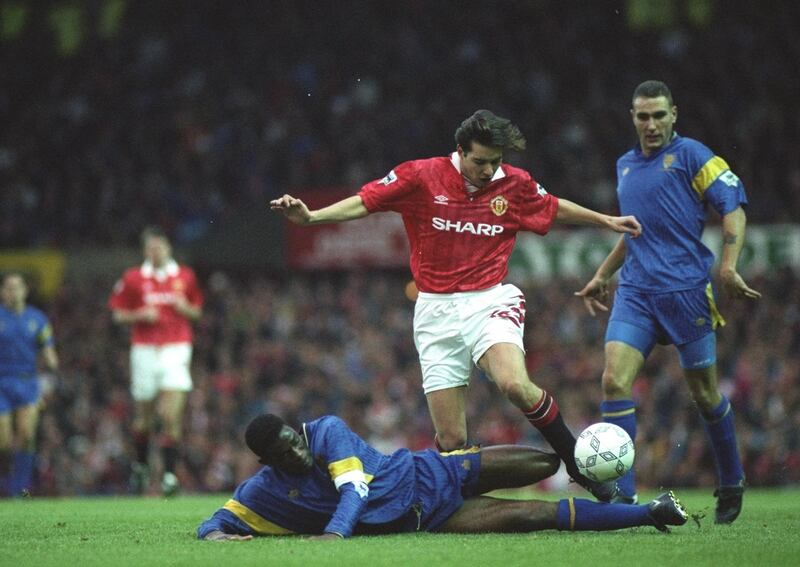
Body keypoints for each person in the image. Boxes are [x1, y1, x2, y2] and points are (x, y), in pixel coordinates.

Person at [271, 109, 642, 501]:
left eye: (496, 162)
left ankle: (578, 465)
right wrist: (311, 218)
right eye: (480, 161)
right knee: (451, 438)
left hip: (490, 299)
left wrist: (606, 220)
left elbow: (552, 206)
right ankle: (468, 506)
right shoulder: (420, 175)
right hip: (434, 310)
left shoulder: (514, 185)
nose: (488, 170)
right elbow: (365, 201)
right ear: (460, 152)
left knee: (514, 383)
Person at [575, 80, 760, 523]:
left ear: (674, 114)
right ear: (633, 118)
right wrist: (602, 274)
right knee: (614, 383)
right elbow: (635, 232)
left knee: (704, 394)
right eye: (643, 116)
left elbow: (733, 207)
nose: (652, 124)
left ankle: (731, 480)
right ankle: (623, 499)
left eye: (660, 115)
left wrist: (729, 265)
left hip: (686, 293)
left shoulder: (695, 156)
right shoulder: (624, 166)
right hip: (636, 293)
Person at [197, 413, 688, 540]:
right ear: (269, 461)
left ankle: (591, 471)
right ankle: (652, 510)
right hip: (427, 520)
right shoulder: (266, 490)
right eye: (287, 451)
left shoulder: (325, 431)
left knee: (551, 464)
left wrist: (333, 535)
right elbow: (219, 520)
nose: (300, 451)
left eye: (295, 439)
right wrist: (216, 536)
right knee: (535, 516)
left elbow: (354, 489)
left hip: (432, 472)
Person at [108, 226, 204, 496]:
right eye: (151, 247)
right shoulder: (133, 277)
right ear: (145, 250)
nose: (156, 251)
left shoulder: (185, 276)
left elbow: (197, 311)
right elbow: (117, 314)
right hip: (144, 351)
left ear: (168, 248)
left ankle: (170, 477)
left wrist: (185, 309)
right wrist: (139, 314)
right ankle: (141, 466)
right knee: (144, 419)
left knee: (169, 415)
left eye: (159, 246)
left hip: (177, 347)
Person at [0, 272, 59, 497]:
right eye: (8, 287)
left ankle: (20, 489)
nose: (12, 292)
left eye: (17, 287)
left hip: (27, 383)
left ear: (25, 291)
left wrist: (52, 361)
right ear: (2, 292)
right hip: (1, 383)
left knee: (26, 434)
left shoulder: (38, 319)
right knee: (3, 442)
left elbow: (48, 348)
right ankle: (6, 481)